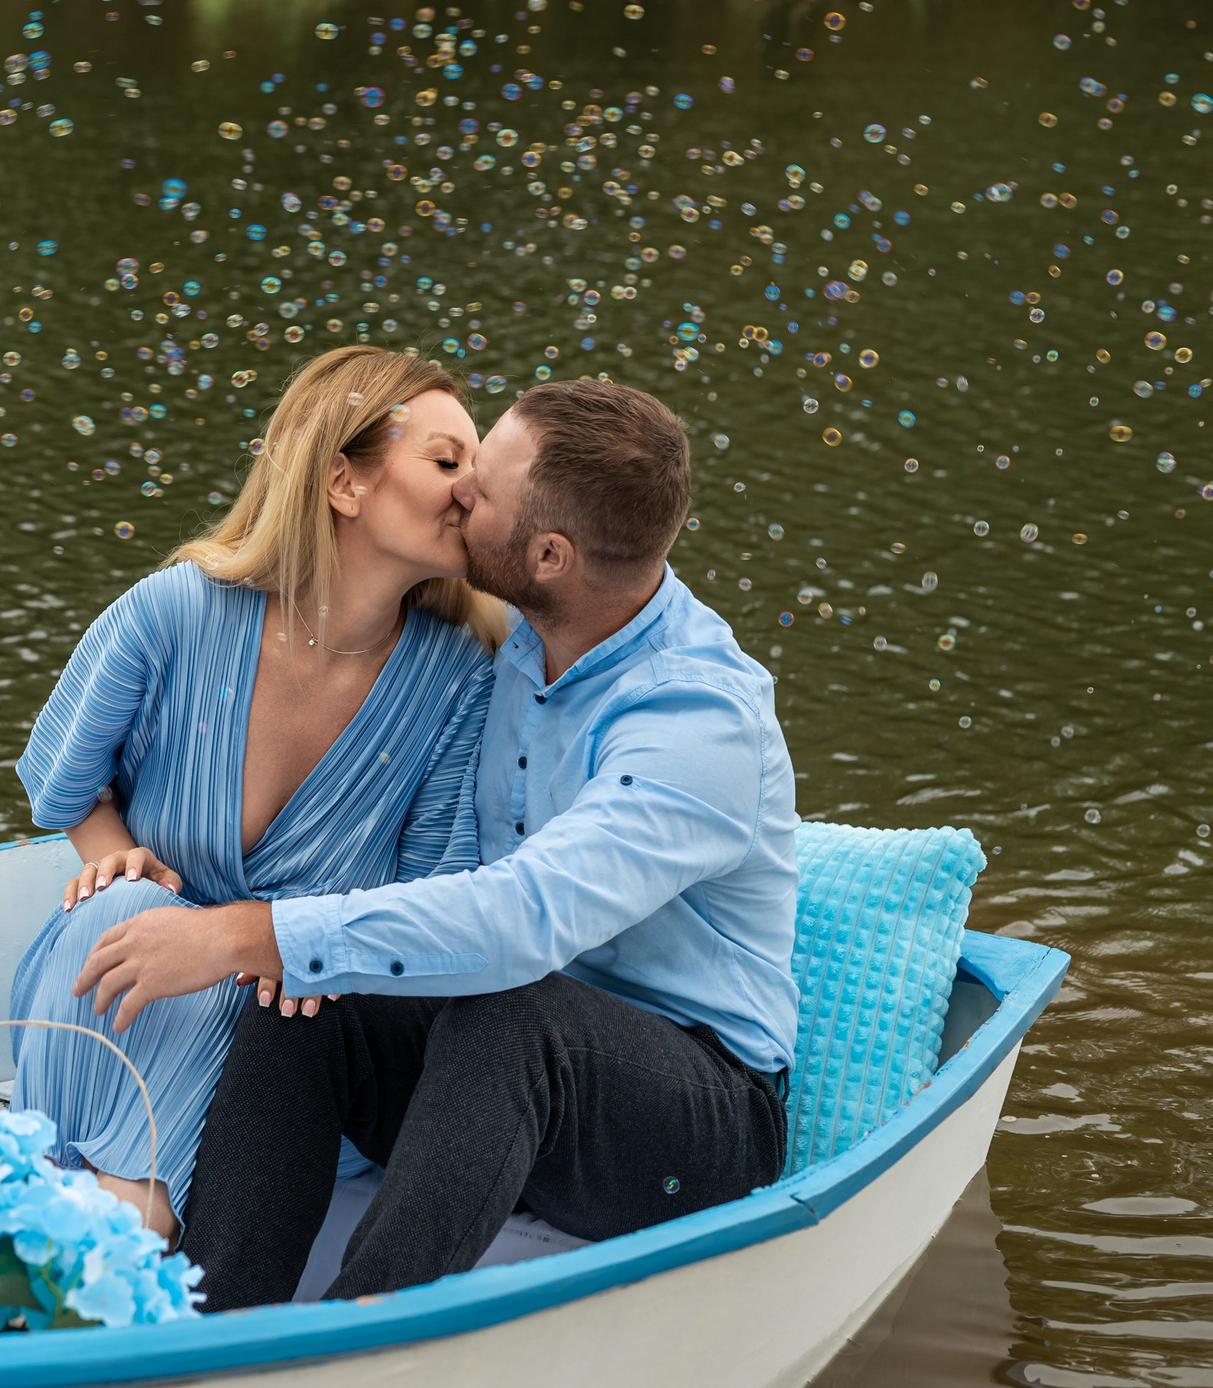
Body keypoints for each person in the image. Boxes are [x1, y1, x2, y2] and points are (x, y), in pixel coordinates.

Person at [68, 378, 798, 1305]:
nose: (459, 493)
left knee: (496, 1005)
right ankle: (214, 1318)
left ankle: (358, 1339)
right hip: (503, 1073)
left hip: (694, 1116)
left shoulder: (698, 721)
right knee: (309, 992)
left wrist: (243, 929)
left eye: (480, 488)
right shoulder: (521, 643)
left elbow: (525, 918)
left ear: (548, 554)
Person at [7, 346, 508, 1244]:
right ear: (343, 483)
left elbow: (435, 897)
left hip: (297, 1026)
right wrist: (111, 847)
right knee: (112, 910)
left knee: (268, 1013)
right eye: (446, 461)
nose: (474, 489)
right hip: (132, 980)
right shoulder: (174, 612)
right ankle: (94, 1219)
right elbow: (64, 782)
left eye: (476, 466)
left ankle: (111, 1232)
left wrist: (296, 950)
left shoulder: (461, 680)